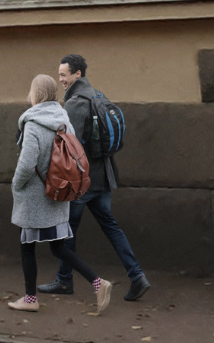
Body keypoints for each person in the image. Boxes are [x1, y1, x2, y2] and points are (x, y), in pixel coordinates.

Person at [43, 53, 151, 302]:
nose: (61, 79)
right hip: (103, 178)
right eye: (59, 75)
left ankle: (64, 281)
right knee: (111, 227)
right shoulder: (99, 97)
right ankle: (137, 276)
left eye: (64, 75)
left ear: (77, 74)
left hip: (82, 181)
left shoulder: (76, 103)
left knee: (67, 229)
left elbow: (68, 145)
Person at [9, 73, 110, 315]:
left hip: (35, 197)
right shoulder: (64, 120)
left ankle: (30, 299)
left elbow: (27, 164)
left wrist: (16, 184)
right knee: (59, 248)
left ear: (37, 93)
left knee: (27, 246)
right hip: (59, 193)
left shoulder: (33, 123)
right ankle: (98, 283)